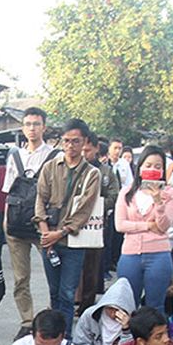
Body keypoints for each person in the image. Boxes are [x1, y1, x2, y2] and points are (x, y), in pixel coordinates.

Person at [35, 119, 102, 337]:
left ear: (84, 142)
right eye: (66, 141)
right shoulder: (50, 167)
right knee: (54, 292)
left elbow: (84, 211)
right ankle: (54, 336)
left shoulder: (92, 173)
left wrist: (60, 233)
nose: (70, 146)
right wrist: (45, 232)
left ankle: (66, 339)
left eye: (75, 141)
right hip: (48, 238)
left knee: (67, 292)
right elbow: (40, 199)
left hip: (73, 240)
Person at [3, 108, 57, 333]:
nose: (32, 129)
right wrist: (6, 220)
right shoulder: (15, 155)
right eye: (28, 124)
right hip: (16, 224)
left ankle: (52, 317)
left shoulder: (55, 156)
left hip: (43, 224)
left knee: (53, 272)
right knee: (20, 278)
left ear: (44, 127)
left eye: (36, 124)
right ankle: (27, 321)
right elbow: (8, 189)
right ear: (22, 128)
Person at [115, 145, 173, 311]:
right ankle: (129, 337)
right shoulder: (127, 192)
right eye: (148, 165)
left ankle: (155, 336)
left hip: (158, 254)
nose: (152, 169)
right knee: (127, 305)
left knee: (155, 306)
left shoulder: (170, 193)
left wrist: (158, 202)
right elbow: (120, 225)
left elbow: (163, 226)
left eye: (158, 167)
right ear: (140, 167)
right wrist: (148, 225)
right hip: (130, 254)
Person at [75, 132, 110, 312]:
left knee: (91, 265)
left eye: (88, 150)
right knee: (72, 264)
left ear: (97, 149)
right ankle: (72, 299)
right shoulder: (74, 169)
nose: (84, 154)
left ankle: (86, 305)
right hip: (72, 224)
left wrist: (97, 205)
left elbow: (114, 195)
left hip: (95, 224)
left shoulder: (106, 171)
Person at [72, 277, 135, 345]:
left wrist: (126, 330)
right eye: (110, 309)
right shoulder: (90, 315)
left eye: (117, 310)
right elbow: (81, 342)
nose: (113, 314)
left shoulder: (135, 322)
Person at [102, 139, 128, 276]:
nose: (118, 151)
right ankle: (105, 267)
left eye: (120, 148)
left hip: (120, 204)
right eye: (115, 148)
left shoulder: (124, 164)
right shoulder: (104, 166)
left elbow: (129, 183)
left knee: (115, 238)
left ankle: (113, 261)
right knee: (106, 239)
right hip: (107, 207)